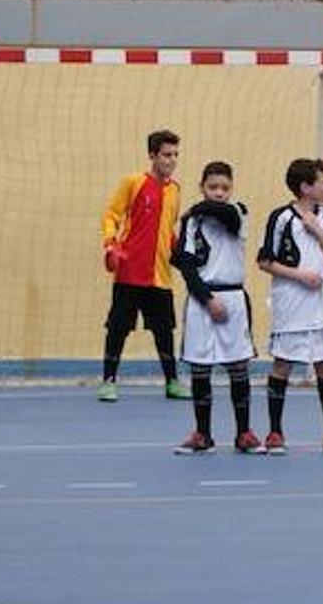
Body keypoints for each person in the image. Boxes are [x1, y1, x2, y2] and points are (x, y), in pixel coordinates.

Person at [256, 158, 323, 457]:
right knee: (283, 364)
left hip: (322, 304)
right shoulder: (280, 218)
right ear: (306, 187)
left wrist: (318, 232)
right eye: (322, 182)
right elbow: (264, 261)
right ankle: (274, 431)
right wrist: (300, 276)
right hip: (291, 302)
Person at [171, 162, 261, 455]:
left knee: (238, 367)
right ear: (202, 186)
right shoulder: (192, 224)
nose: (219, 193)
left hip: (233, 299)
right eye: (213, 188)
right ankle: (203, 433)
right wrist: (207, 299)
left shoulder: (238, 212)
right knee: (200, 368)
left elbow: (223, 213)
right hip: (202, 300)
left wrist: (196, 207)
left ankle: (244, 432)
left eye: (224, 187)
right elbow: (185, 265)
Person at [98, 130, 187, 402]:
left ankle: (172, 382)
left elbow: (168, 231)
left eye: (175, 155)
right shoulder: (133, 183)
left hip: (160, 276)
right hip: (129, 272)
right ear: (152, 156)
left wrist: (181, 255)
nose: (171, 160)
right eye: (166, 155)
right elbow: (111, 214)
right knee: (118, 327)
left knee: (164, 330)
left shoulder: (175, 190)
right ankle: (108, 381)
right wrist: (111, 244)